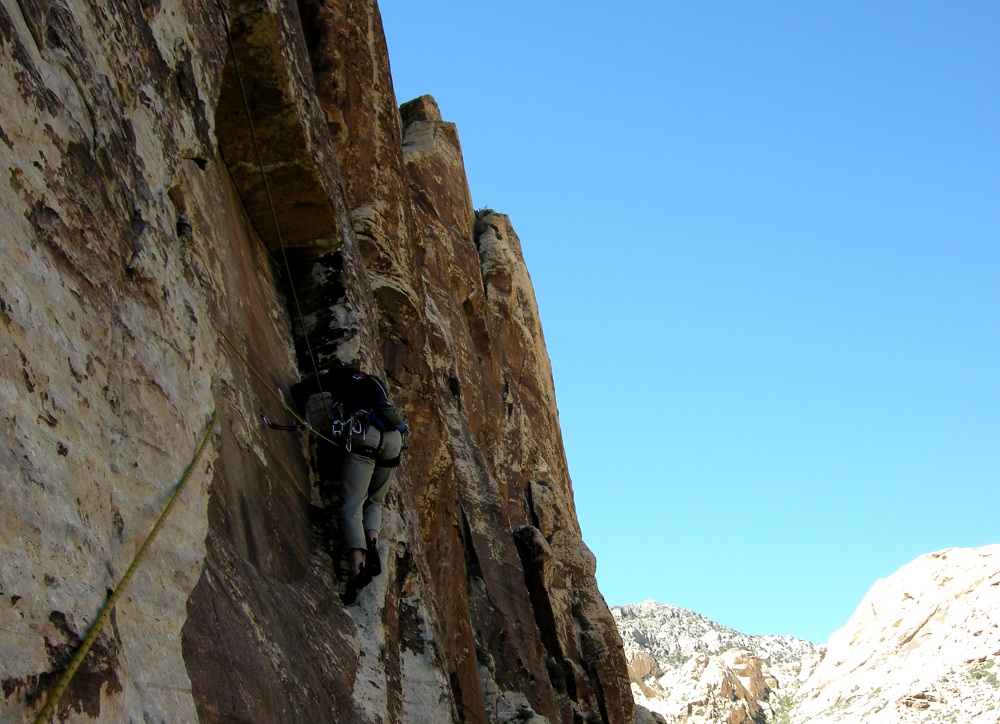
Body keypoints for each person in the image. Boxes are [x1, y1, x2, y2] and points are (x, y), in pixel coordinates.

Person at [294, 366, 407, 604]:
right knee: (375, 501)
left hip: (365, 435)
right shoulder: (375, 382)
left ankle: (357, 566)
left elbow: (301, 390)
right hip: (393, 440)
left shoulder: (337, 376)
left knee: (352, 505)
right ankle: (373, 542)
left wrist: (300, 414)